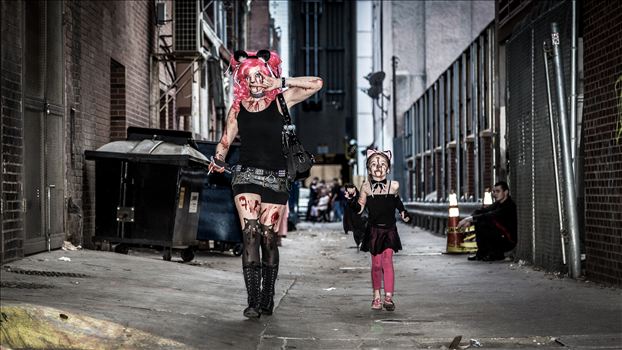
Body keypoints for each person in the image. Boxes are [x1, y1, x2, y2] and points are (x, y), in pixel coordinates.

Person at [209, 49, 322, 318]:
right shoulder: (238, 108)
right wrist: (217, 158)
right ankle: (253, 301)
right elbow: (226, 141)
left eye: (261, 76)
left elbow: (317, 83)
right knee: (250, 234)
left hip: (276, 178)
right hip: (245, 176)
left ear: (268, 76)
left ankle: (268, 295)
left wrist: (281, 82)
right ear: (243, 81)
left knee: (268, 238)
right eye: (250, 77)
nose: (256, 81)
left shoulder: (282, 100)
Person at [345, 149, 411, 311]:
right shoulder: (366, 187)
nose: (378, 167)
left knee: (387, 262)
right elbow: (359, 209)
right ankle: (376, 297)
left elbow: (397, 203)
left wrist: (404, 213)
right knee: (376, 265)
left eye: (382, 164)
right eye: (374, 164)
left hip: (389, 230)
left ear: (388, 168)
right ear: (369, 169)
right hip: (374, 231)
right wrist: (352, 199)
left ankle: (388, 297)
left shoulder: (394, 185)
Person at [457, 181, 517, 261]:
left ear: (506, 192)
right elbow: (481, 211)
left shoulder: (509, 206)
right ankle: (482, 253)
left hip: (508, 241)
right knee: (480, 221)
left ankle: (496, 254)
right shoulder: (498, 204)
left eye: (498, 191)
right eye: (494, 191)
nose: (495, 194)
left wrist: (468, 219)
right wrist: (470, 220)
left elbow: (490, 215)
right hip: (499, 236)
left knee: (485, 221)